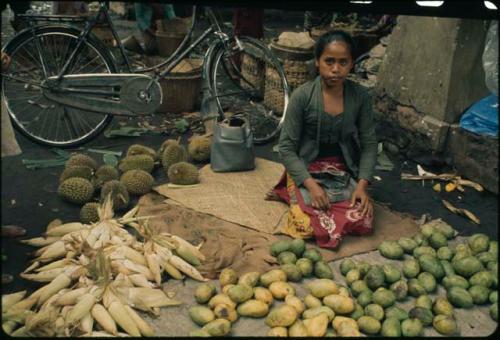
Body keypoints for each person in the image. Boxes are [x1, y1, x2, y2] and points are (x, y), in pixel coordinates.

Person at [268, 30, 377, 248]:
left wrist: (362, 185)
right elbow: (287, 148)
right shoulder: (302, 96)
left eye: (343, 62)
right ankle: (294, 190)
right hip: (307, 166)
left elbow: (369, 144)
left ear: (351, 64)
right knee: (305, 224)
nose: (336, 69)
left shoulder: (360, 97)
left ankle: (338, 199)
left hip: (342, 168)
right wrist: (311, 185)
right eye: (329, 61)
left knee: (363, 219)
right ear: (317, 62)